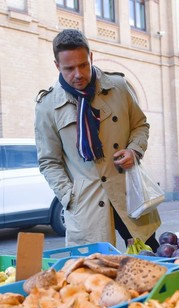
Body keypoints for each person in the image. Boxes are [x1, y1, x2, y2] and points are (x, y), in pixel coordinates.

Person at [34, 29, 160, 251]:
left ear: (91, 57)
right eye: (69, 68)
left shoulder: (118, 87)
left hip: (127, 191)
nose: (78, 74)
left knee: (152, 255)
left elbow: (140, 125)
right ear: (57, 66)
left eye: (83, 65)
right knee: (95, 269)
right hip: (87, 202)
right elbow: (48, 161)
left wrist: (134, 151)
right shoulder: (48, 106)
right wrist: (69, 196)